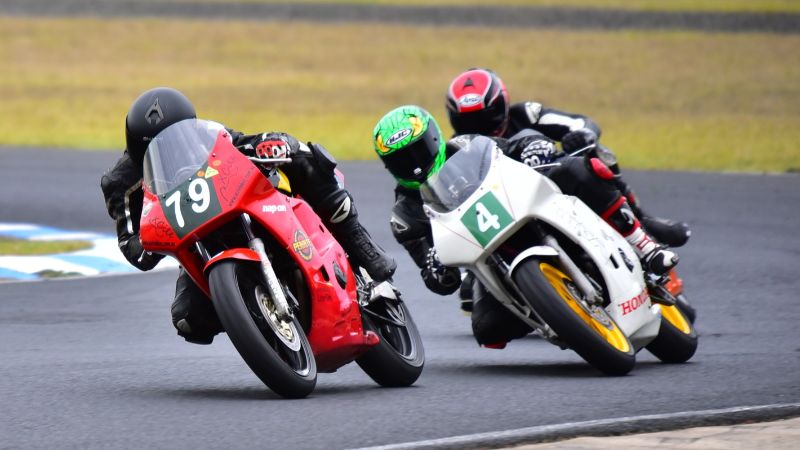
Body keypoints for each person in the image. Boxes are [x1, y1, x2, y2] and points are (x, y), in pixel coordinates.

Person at [101, 87, 395, 345]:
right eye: (155, 145)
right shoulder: (120, 183)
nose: (169, 149)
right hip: (198, 241)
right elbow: (133, 248)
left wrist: (273, 144)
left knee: (304, 157)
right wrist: (150, 238)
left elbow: (240, 143)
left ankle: (360, 244)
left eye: (174, 140)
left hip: (241, 205)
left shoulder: (204, 136)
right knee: (188, 319)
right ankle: (255, 318)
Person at [373, 105, 678, 348]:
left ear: (435, 139)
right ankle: (556, 317)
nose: (413, 163)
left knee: (578, 170)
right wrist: (436, 267)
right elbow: (438, 283)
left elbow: (517, 142)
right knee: (488, 329)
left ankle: (643, 244)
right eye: (400, 159)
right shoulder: (405, 216)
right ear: (389, 167)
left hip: (526, 211)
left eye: (418, 150)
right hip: (490, 258)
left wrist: (534, 147)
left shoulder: (465, 145)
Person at [445, 67, 690, 248]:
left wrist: (581, 136)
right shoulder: (456, 151)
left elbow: (582, 123)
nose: (479, 126)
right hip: (508, 212)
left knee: (595, 153)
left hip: (558, 185)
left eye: (485, 117)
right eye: (468, 121)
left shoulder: (527, 114)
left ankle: (640, 220)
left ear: (503, 106)